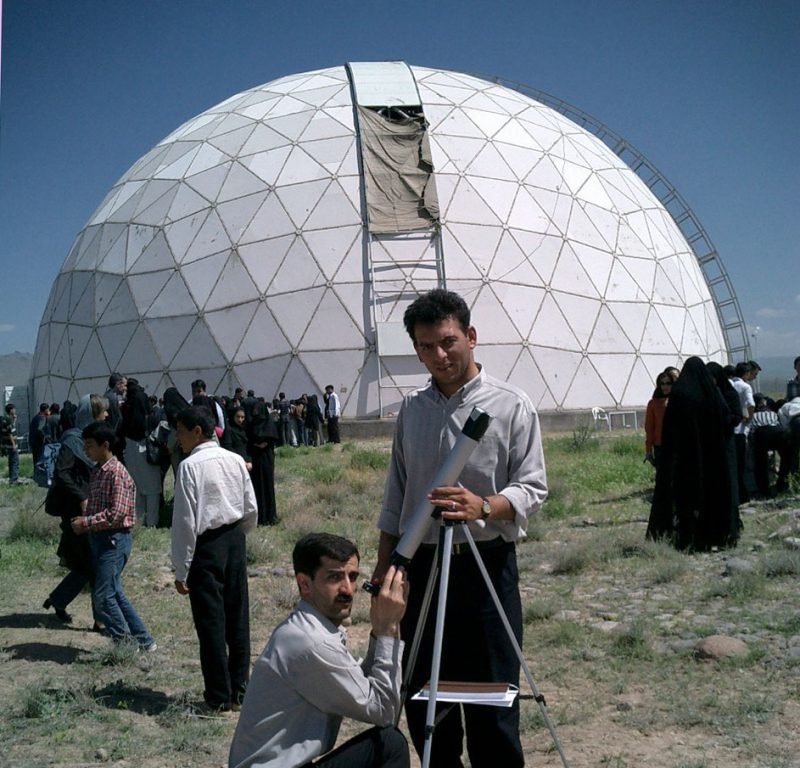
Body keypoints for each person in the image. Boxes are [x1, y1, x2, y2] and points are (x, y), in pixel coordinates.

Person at [372, 288, 547, 768]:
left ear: (470, 336)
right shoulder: (411, 411)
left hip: (486, 568)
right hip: (422, 566)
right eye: (426, 346)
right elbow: (397, 498)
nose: (439, 355)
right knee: (428, 698)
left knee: (492, 700)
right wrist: (384, 570)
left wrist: (484, 506)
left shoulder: (511, 405)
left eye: (448, 342)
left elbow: (532, 488)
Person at [229, 532, 410, 768]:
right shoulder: (311, 642)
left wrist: (378, 632)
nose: (348, 589)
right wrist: (388, 629)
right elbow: (384, 710)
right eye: (334, 577)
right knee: (388, 745)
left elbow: (359, 684)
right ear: (305, 584)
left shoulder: (309, 629)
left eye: (352, 576)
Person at [171, 405, 258, 713]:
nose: (177, 438)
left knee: (211, 622)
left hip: (206, 546)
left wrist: (181, 568)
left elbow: (185, 520)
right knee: (238, 617)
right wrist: (238, 536)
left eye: (180, 431)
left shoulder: (190, 466)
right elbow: (250, 506)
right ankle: (240, 691)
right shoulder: (235, 460)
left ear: (197, 431)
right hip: (235, 540)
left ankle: (218, 695)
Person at [70, 420, 156, 650]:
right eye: (84, 445)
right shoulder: (99, 470)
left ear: (105, 445)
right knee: (114, 592)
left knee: (103, 596)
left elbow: (116, 514)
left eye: (90, 445)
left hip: (114, 540)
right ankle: (144, 640)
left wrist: (86, 522)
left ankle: (125, 644)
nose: (86, 450)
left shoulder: (116, 473)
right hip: (102, 539)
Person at [647, 357, 738, 550]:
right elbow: (726, 420)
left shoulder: (679, 394)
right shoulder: (711, 394)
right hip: (711, 458)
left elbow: (670, 429)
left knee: (686, 498)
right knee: (711, 494)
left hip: (685, 460)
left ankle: (686, 536)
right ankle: (715, 535)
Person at [43, 395, 107, 626]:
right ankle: (101, 620)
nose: (106, 416)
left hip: (90, 506)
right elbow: (62, 473)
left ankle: (59, 599)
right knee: (95, 563)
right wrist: (82, 497)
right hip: (76, 511)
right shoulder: (73, 441)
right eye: (102, 413)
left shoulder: (90, 440)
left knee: (86, 563)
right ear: (91, 415)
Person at [121, 378, 162, 526]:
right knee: (152, 489)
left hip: (130, 448)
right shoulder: (142, 403)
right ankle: (151, 522)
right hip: (143, 448)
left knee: (137, 488)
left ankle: (138, 521)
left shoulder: (127, 406)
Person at [247, 400, 279, 525]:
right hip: (255, 457)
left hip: (266, 457)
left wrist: (265, 444)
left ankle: (270, 515)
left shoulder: (268, 422)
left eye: (256, 409)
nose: (254, 412)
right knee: (256, 486)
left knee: (267, 484)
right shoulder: (251, 424)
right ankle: (260, 516)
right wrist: (256, 444)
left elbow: (273, 438)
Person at [644, 373, 672, 467]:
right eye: (662, 383)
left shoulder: (678, 401)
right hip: (660, 445)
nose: (665, 386)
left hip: (675, 445)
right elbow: (649, 427)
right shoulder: (653, 404)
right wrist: (648, 450)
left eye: (668, 383)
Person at [1, 403, 19, 485]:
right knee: (15, 462)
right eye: (14, 409)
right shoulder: (8, 420)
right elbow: (10, 433)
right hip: (11, 444)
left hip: (7, 444)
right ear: (11, 410)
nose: (15, 410)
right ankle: (14, 479)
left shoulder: (5, 419)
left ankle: (12, 478)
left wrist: (14, 420)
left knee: (11, 461)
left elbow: (11, 428)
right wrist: (14, 445)